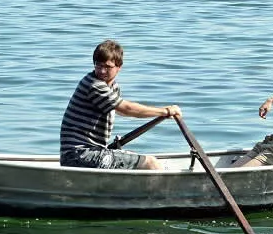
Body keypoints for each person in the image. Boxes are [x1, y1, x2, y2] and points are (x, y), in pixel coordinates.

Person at [60, 40, 182, 170]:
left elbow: (121, 111)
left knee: (135, 157)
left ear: (119, 67)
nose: (102, 71)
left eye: (107, 67)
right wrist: (165, 111)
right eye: (98, 65)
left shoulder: (113, 87)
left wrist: (161, 114)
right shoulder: (94, 85)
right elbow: (127, 109)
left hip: (91, 153)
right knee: (150, 163)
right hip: (79, 155)